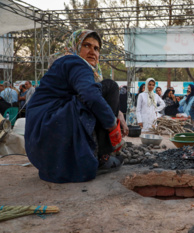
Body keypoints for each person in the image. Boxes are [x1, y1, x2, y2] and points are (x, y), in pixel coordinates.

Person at [25, 29, 125, 183]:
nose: (92, 52)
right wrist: (113, 127)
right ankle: (103, 157)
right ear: (75, 46)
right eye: (87, 45)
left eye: (96, 48)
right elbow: (91, 96)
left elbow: (90, 94)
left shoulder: (66, 64)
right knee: (110, 86)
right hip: (51, 125)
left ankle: (92, 154)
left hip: (41, 143)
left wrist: (117, 113)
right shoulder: (75, 62)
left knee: (98, 94)